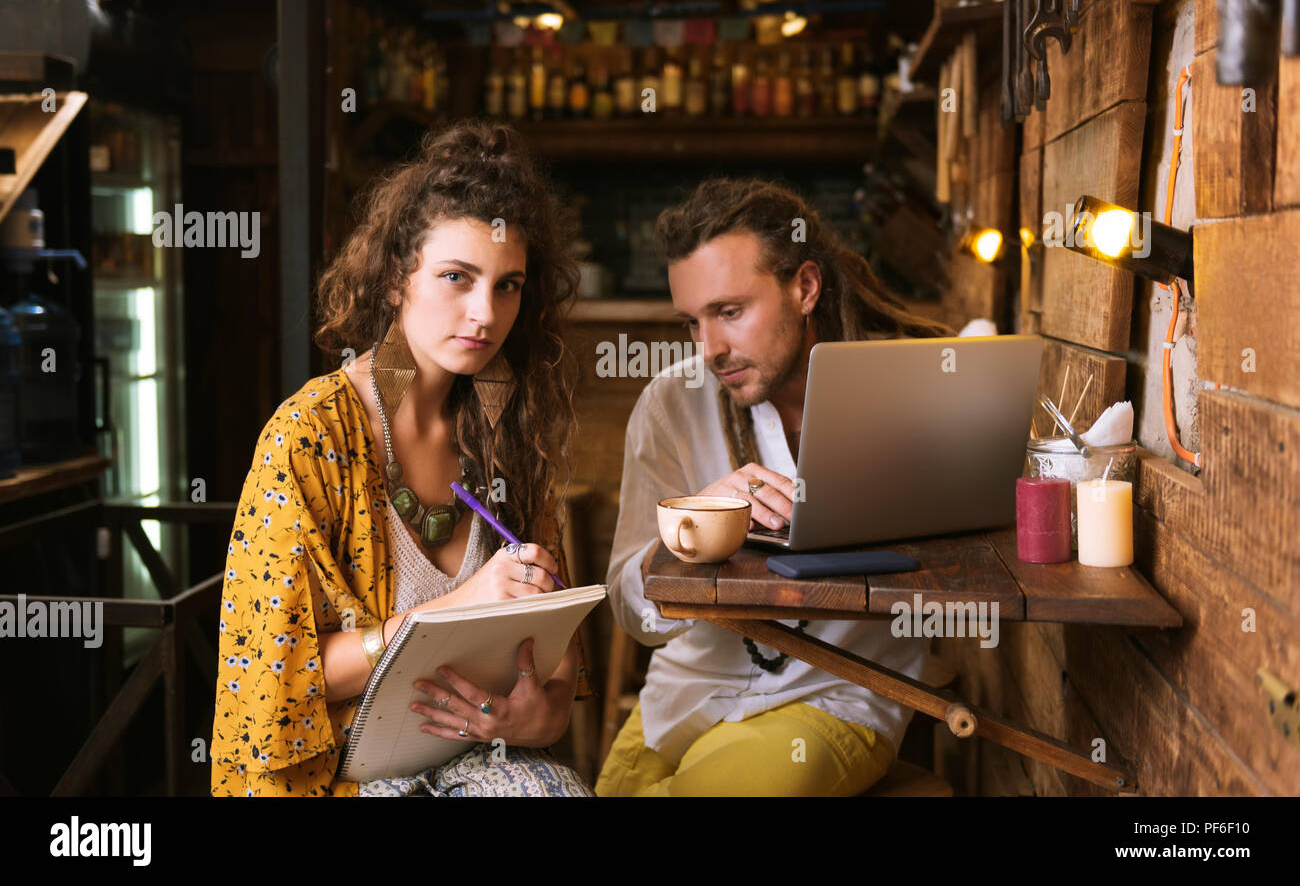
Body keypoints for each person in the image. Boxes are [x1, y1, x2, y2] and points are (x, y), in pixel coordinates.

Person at [211, 120, 593, 796]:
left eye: (508, 285)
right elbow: (270, 680)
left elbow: (560, 662)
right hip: (342, 778)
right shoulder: (308, 437)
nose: (484, 312)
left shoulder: (509, 428)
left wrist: (540, 712)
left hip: (475, 763)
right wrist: (454, 609)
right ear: (395, 279)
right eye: (456, 276)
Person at [595, 177, 955, 796]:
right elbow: (630, 606)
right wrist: (697, 524)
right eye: (692, 322)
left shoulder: (906, 393)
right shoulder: (669, 405)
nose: (709, 347)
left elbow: (954, 570)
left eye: (730, 312)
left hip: (835, 695)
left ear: (805, 288)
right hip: (686, 695)